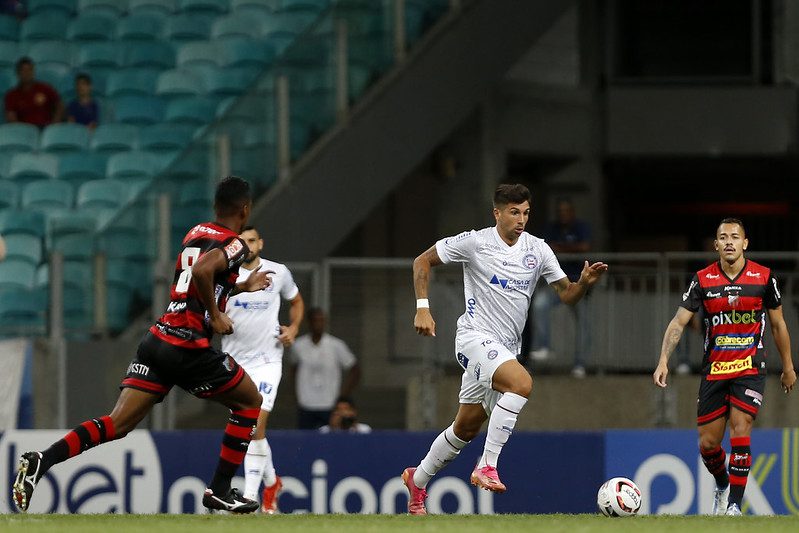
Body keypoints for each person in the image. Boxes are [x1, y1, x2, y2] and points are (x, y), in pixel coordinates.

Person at [12, 176, 272, 514]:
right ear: (246, 209)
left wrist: (241, 287)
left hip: (158, 339)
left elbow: (195, 281)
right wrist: (217, 314)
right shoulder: (236, 244)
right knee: (250, 402)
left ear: (215, 206)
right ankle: (220, 489)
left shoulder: (195, 233)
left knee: (117, 423)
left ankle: (41, 461)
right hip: (188, 346)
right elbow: (203, 272)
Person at [402, 184, 608, 515]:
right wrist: (422, 308)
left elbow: (566, 294)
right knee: (521, 383)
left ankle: (417, 480)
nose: (521, 219)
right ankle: (487, 464)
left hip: (505, 350)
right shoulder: (475, 242)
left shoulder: (538, 249)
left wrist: (582, 283)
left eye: (526, 212)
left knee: (465, 429)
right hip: (473, 338)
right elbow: (422, 261)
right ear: (497, 213)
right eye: (514, 212)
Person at [653, 217, 796, 516]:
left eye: (735, 236)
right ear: (716, 244)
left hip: (750, 368)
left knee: (741, 427)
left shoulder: (764, 277)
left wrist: (788, 367)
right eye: (723, 237)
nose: (729, 241)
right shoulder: (702, 279)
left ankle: (734, 506)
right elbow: (679, 322)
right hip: (715, 370)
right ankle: (722, 484)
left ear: (745, 243)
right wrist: (664, 359)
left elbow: (778, 324)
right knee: (708, 445)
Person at [222, 225, 304, 514]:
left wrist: (293, 328)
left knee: (254, 425)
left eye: (252, 240)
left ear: (261, 243)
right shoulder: (226, 276)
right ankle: (272, 482)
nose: (248, 246)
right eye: (242, 242)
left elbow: (296, 301)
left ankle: (248, 497)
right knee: (247, 427)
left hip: (268, 360)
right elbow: (210, 311)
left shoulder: (278, 272)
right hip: (233, 362)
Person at [529, 198, 592, 377]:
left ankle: (580, 363)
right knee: (539, 305)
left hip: (579, 284)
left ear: (572, 212)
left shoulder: (581, 227)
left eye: (566, 211)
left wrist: (562, 248)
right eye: (560, 212)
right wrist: (570, 248)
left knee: (583, 324)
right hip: (558, 284)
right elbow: (546, 248)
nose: (563, 215)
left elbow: (585, 247)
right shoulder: (552, 228)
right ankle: (544, 346)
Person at [289, 308, 361, 429]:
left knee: (330, 437)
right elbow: (293, 370)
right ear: (309, 322)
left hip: (330, 404)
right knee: (305, 438)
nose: (318, 324)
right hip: (305, 403)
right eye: (315, 320)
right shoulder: (298, 345)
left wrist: (343, 395)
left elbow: (355, 370)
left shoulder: (336, 345)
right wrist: (295, 394)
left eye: (321, 320)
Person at [4, 57, 63, 128]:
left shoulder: (45, 88)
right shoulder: (11, 95)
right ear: (18, 73)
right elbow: (11, 117)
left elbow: (59, 105)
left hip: (45, 128)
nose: (27, 73)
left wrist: (54, 124)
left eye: (30, 70)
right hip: (24, 130)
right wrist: (19, 130)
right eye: (24, 70)